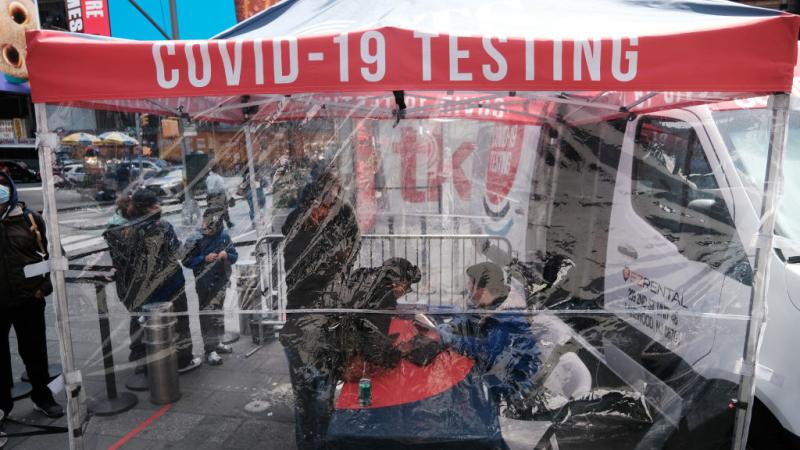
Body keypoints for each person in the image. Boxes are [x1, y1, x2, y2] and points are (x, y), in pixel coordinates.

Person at [279, 170, 360, 450]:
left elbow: (353, 242)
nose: (333, 198)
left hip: (325, 315)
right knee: (309, 391)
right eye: (329, 192)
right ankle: (312, 442)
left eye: (336, 190)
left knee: (319, 389)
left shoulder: (339, 216)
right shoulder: (300, 225)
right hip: (305, 316)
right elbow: (304, 273)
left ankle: (319, 440)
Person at [0, 172, 63, 418]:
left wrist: (44, 288)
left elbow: (54, 255)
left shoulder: (30, 219)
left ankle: (42, 397)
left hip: (29, 298)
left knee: (35, 352)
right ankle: (3, 407)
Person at [437, 262, 540, 413]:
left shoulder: (508, 318)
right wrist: (452, 326)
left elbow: (485, 352)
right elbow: (468, 317)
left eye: (470, 283)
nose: (468, 287)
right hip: (493, 378)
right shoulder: (488, 305)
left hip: (511, 392)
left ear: (483, 290)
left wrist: (451, 339)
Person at [124, 189, 200, 372]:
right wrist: (193, 242)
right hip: (171, 284)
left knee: (144, 322)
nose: (159, 207)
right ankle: (183, 360)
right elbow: (179, 253)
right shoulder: (163, 226)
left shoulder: (129, 229)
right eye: (156, 204)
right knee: (179, 320)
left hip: (144, 287)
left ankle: (143, 361)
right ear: (147, 208)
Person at [182, 208, 238, 366]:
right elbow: (186, 260)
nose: (207, 228)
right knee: (207, 315)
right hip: (204, 283)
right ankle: (210, 349)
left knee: (218, 312)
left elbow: (234, 256)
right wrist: (203, 258)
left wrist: (227, 255)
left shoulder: (224, 236)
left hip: (221, 280)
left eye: (213, 226)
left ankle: (217, 342)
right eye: (207, 225)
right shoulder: (195, 238)